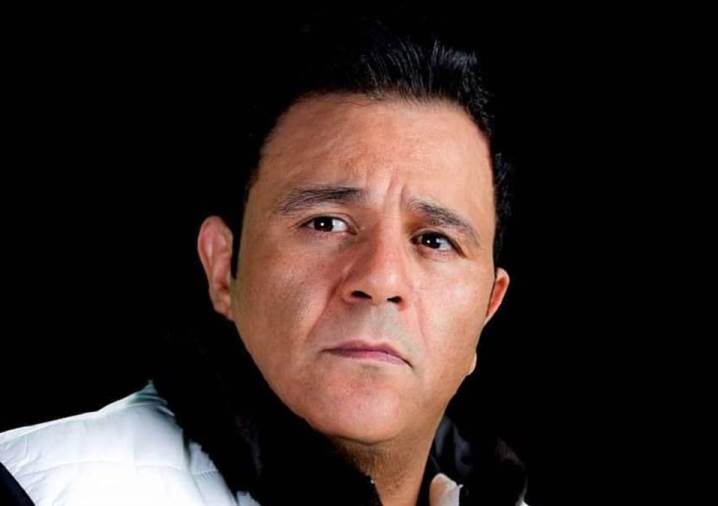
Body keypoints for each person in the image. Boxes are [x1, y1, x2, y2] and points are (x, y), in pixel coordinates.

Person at [0, 15, 528, 506]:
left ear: (488, 306)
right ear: (222, 268)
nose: (381, 278)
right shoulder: (36, 489)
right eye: (325, 223)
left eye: (434, 240)